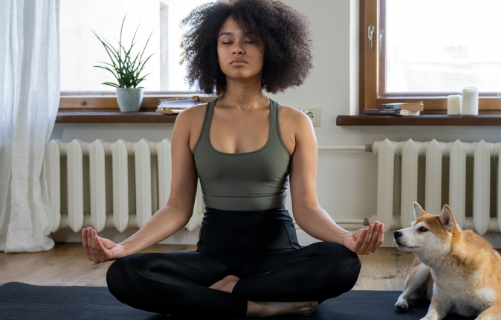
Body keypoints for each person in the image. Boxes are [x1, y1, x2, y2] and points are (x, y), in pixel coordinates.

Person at [81, 0, 385, 318]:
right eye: (227, 41)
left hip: (276, 255)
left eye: (250, 40)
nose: (237, 49)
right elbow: (176, 208)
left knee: (343, 264)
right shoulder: (190, 120)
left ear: (272, 49)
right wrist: (123, 247)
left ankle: (221, 297)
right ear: (214, 51)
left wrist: (345, 238)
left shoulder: (295, 122)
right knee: (124, 273)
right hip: (214, 257)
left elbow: (307, 208)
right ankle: (256, 306)